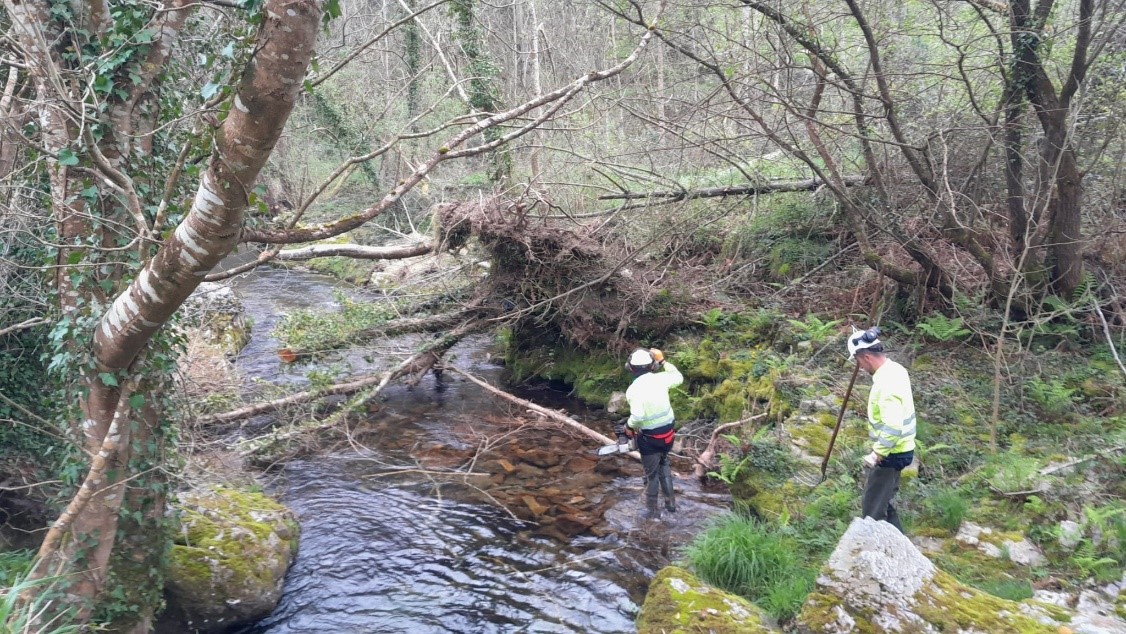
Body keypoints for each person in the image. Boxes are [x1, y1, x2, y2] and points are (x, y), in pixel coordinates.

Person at [848, 326, 916, 534]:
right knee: (883, 502)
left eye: (857, 361)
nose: (859, 367)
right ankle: (903, 545)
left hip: (891, 454)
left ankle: (883, 555)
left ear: (866, 356)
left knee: (872, 510)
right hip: (902, 450)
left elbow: (893, 426)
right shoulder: (895, 369)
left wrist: (877, 454)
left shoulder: (885, 384)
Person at [619, 348, 683, 520]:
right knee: (664, 465)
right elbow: (678, 377)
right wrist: (664, 361)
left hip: (650, 439)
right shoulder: (661, 378)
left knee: (651, 475)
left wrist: (628, 426)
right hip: (669, 434)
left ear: (630, 368)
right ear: (653, 365)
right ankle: (671, 505)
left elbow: (638, 417)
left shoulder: (633, 390)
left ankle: (652, 513)